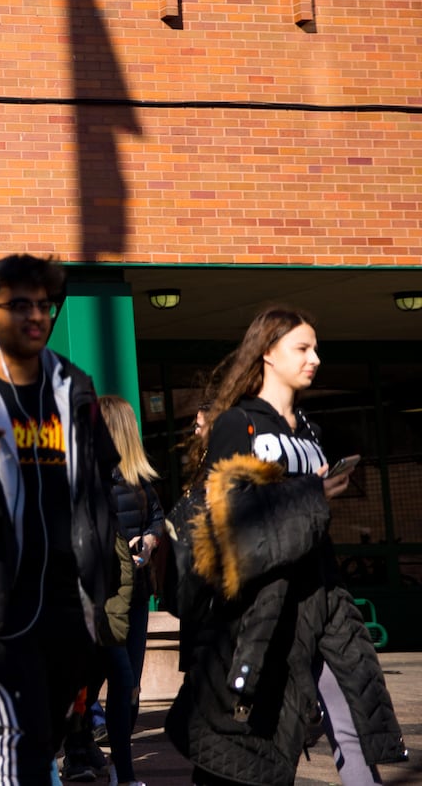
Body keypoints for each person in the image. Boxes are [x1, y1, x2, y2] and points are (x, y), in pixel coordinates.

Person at [166, 306, 405, 786]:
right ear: (268, 353)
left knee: (353, 717)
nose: (314, 358)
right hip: (263, 611)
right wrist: (311, 493)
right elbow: (232, 525)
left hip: (323, 597)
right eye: (302, 348)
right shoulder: (239, 425)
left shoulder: (309, 430)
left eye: (316, 348)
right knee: (249, 746)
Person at [0, 253, 120, 786]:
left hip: (69, 594)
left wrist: (99, 577)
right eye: (20, 305)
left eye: (45, 305)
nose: (36, 316)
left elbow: (98, 482)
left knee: (48, 732)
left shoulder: (73, 385)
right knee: (18, 733)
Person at [62, 395, 164, 786]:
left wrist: (151, 540)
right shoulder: (84, 481)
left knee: (128, 686)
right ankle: (83, 754)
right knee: (98, 682)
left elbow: (155, 518)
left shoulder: (138, 481)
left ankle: (106, 758)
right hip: (99, 601)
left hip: (134, 597)